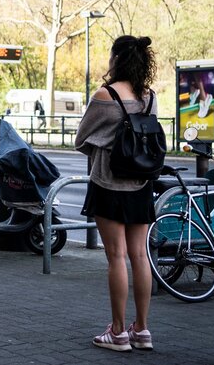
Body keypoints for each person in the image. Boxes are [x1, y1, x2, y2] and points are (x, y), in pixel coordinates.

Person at [75, 35, 156, 352]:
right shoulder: (149, 97)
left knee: (116, 258)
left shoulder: (104, 95)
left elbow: (81, 139)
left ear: (116, 59)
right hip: (141, 185)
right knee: (140, 256)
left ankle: (119, 332)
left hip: (108, 184)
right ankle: (143, 330)